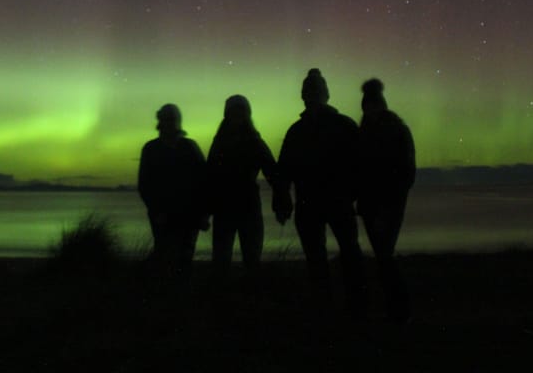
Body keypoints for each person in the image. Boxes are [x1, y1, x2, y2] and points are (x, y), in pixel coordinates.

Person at [273, 68, 366, 314]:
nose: (310, 97)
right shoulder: (298, 131)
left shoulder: (342, 126)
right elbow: (284, 171)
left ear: (325, 95)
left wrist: (356, 195)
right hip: (310, 204)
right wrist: (282, 202)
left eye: (314, 92)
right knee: (319, 259)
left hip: (336, 202)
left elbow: (361, 164)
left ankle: (354, 306)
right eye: (307, 92)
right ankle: (327, 308)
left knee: (348, 254)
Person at [357, 78, 416, 322]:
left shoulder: (397, 131)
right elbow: (357, 170)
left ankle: (399, 308)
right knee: (383, 256)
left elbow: (405, 172)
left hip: (389, 204)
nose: (371, 110)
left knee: (384, 255)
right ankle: (395, 307)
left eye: (373, 105)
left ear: (381, 105)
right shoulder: (364, 134)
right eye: (367, 106)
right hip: (371, 205)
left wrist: (389, 203)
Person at [206, 95, 277, 274]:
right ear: (227, 115)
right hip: (224, 209)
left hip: (249, 207)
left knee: (252, 260)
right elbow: (208, 177)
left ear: (247, 115)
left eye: (241, 111)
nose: (237, 115)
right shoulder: (219, 143)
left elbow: (272, 172)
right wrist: (205, 211)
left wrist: (282, 201)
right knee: (221, 261)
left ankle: (251, 297)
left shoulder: (255, 141)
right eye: (233, 112)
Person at [138, 103, 209, 278]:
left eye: (171, 119)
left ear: (177, 122)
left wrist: (204, 214)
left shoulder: (190, 147)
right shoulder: (151, 149)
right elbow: (145, 185)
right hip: (163, 216)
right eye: (165, 119)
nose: (168, 123)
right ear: (160, 122)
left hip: (189, 215)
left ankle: (180, 297)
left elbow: (204, 182)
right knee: (164, 257)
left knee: (184, 259)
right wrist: (156, 211)